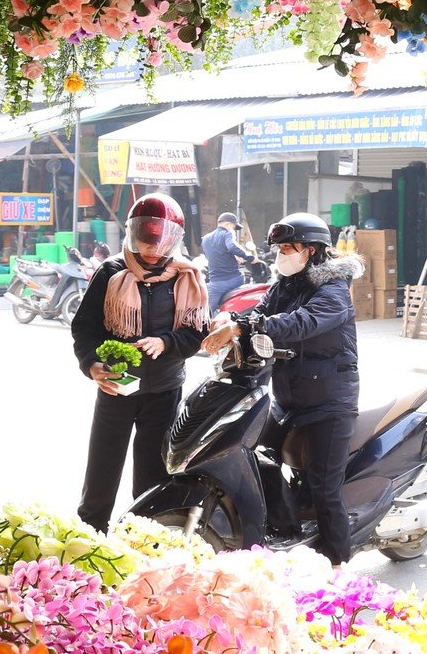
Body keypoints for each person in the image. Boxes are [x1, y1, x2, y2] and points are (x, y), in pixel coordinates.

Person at [201, 212, 361, 564]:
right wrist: (231, 322)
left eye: (289, 247)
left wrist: (245, 328)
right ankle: (287, 531)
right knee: (251, 455)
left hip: (329, 403)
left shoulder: (334, 289)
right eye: (279, 248)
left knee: (324, 489)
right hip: (288, 400)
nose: (282, 254)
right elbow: (260, 311)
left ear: (313, 250)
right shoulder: (285, 286)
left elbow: (302, 322)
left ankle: (337, 564)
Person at [70, 193, 209, 531]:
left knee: (151, 475)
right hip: (117, 386)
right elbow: (85, 328)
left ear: (173, 239)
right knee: (102, 469)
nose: (150, 250)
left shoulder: (186, 276)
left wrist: (167, 342)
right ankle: (90, 536)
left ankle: (141, 538)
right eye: (144, 240)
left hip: (164, 390)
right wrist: (92, 365)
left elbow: (196, 334)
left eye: (158, 243)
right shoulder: (111, 271)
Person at [201, 211, 257, 312]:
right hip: (234, 280)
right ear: (227, 224)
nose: (234, 230)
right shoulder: (227, 234)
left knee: (205, 314)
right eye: (234, 227)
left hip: (215, 284)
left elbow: (211, 255)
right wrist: (250, 258)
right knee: (243, 310)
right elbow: (232, 246)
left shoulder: (205, 239)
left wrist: (232, 256)